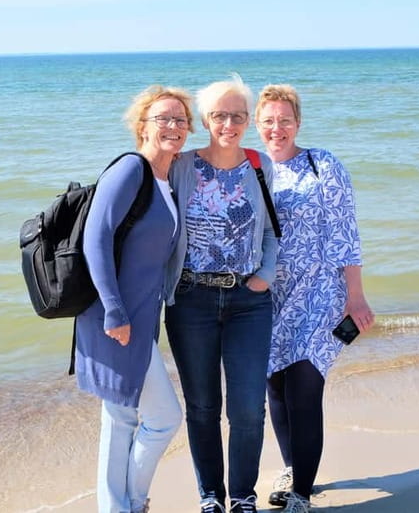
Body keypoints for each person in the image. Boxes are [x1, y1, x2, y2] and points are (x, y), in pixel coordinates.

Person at [254, 84, 375, 513]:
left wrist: (355, 296)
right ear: (257, 124)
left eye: (285, 120)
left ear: (298, 123)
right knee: (276, 385)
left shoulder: (322, 164)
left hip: (322, 291)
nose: (277, 128)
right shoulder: (252, 169)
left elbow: (346, 232)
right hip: (269, 296)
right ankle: (291, 468)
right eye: (268, 121)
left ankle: (301, 495)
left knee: (305, 384)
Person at [75, 85, 194, 513]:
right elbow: (96, 237)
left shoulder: (167, 179)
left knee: (122, 417)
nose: (174, 126)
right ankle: (132, 502)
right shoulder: (131, 169)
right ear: (142, 125)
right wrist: (113, 309)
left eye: (181, 120)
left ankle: (119, 507)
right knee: (163, 419)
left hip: (140, 319)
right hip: (114, 317)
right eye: (164, 118)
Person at [164, 74, 278, 513]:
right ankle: (210, 496)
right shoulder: (183, 166)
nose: (228, 123)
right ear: (205, 120)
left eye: (237, 115)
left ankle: (243, 497)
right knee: (202, 407)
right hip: (191, 299)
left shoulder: (258, 165)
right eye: (219, 115)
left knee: (248, 408)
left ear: (248, 120)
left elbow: (271, 230)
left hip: (249, 303)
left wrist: (265, 274)